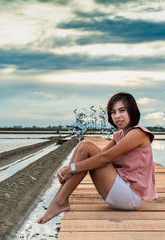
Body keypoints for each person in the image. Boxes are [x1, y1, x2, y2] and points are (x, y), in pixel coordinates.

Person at [37, 92, 157, 224]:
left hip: (130, 196)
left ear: (132, 111)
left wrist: (71, 169)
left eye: (122, 110)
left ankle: (59, 201)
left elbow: (105, 158)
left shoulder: (138, 133)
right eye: (113, 112)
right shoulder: (119, 136)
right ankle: (60, 199)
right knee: (83, 146)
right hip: (118, 192)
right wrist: (69, 169)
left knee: (86, 146)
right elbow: (97, 157)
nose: (117, 116)